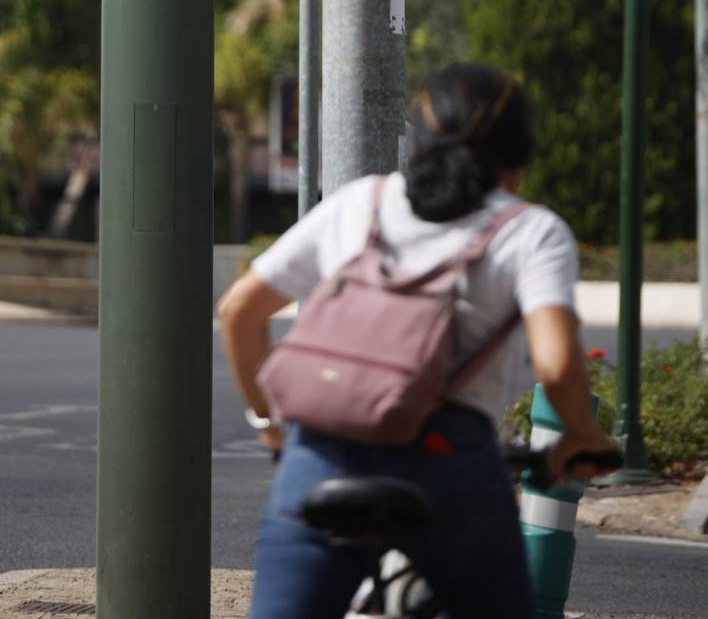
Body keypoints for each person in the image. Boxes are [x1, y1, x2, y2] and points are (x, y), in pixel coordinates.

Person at [217, 62, 618, 619]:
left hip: (322, 456)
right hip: (451, 463)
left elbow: (238, 312)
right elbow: (556, 364)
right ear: (520, 152)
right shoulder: (531, 231)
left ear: (422, 138)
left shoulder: (362, 201)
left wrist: (271, 423)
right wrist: (580, 433)